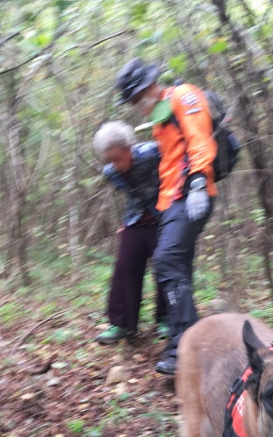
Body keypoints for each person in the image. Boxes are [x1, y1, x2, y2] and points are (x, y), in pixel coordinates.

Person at [115, 58, 217, 375]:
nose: (135, 106)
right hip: (172, 203)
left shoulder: (182, 96)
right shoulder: (161, 118)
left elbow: (199, 138)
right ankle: (185, 345)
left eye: (135, 98)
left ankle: (185, 348)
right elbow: (170, 163)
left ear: (147, 87)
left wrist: (199, 180)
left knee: (166, 261)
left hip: (190, 196)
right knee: (176, 269)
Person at [92, 120, 167, 344]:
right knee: (125, 267)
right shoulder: (110, 173)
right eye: (109, 160)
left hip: (164, 217)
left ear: (130, 148)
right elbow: (132, 195)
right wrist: (125, 222)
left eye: (118, 158)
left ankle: (167, 319)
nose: (115, 165)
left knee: (166, 265)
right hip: (135, 220)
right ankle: (122, 324)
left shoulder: (153, 153)